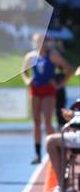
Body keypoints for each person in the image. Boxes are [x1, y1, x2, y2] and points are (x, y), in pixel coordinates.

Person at [22, 33, 73, 164]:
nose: (39, 44)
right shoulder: (30, 56)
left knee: (48, 122)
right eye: (36, 41)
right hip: (35, 90)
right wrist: (28, 80)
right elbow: (23, 71)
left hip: (49, 90)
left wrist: (60, 84)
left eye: (41, 41)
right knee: (36, 122)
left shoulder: (52, 55)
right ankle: (38, 154)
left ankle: (55, 149)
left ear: (46, 43)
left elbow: (69, 69)